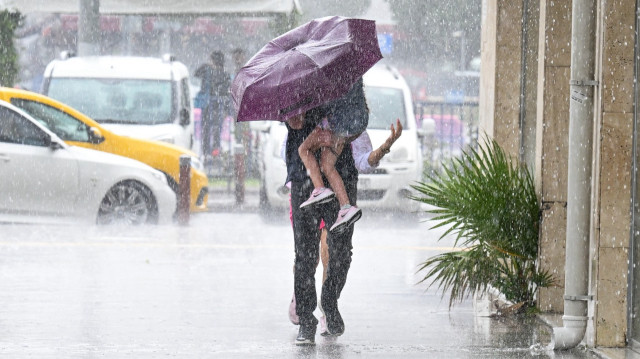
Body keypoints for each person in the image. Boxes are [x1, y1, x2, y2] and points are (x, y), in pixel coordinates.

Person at [287, 120, 403, 334]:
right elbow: (293, 135)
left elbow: (363, 161)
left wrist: (386, 146)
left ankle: (329, 301)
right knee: (305, 254)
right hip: (304, 185)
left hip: (343, 186)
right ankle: (306, 321)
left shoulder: (348, 115)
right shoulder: (301, 102)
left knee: (341, 253)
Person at [298, 78, 369, 233]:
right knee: (327, 165)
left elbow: (328, 101)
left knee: (304, 150)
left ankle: (319, 188)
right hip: (349, 126)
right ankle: (345, 207)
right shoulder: (354, 76)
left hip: (335, 121)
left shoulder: (332, 74)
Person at [194, 51, 231, 161]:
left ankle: (211, 152)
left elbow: (225, 91)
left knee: (213, 129)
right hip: (211, 106)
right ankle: (211, 152)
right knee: (212, 129)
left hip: (213, 106)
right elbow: (196, 74)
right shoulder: (208, 71)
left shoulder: (221, 73)